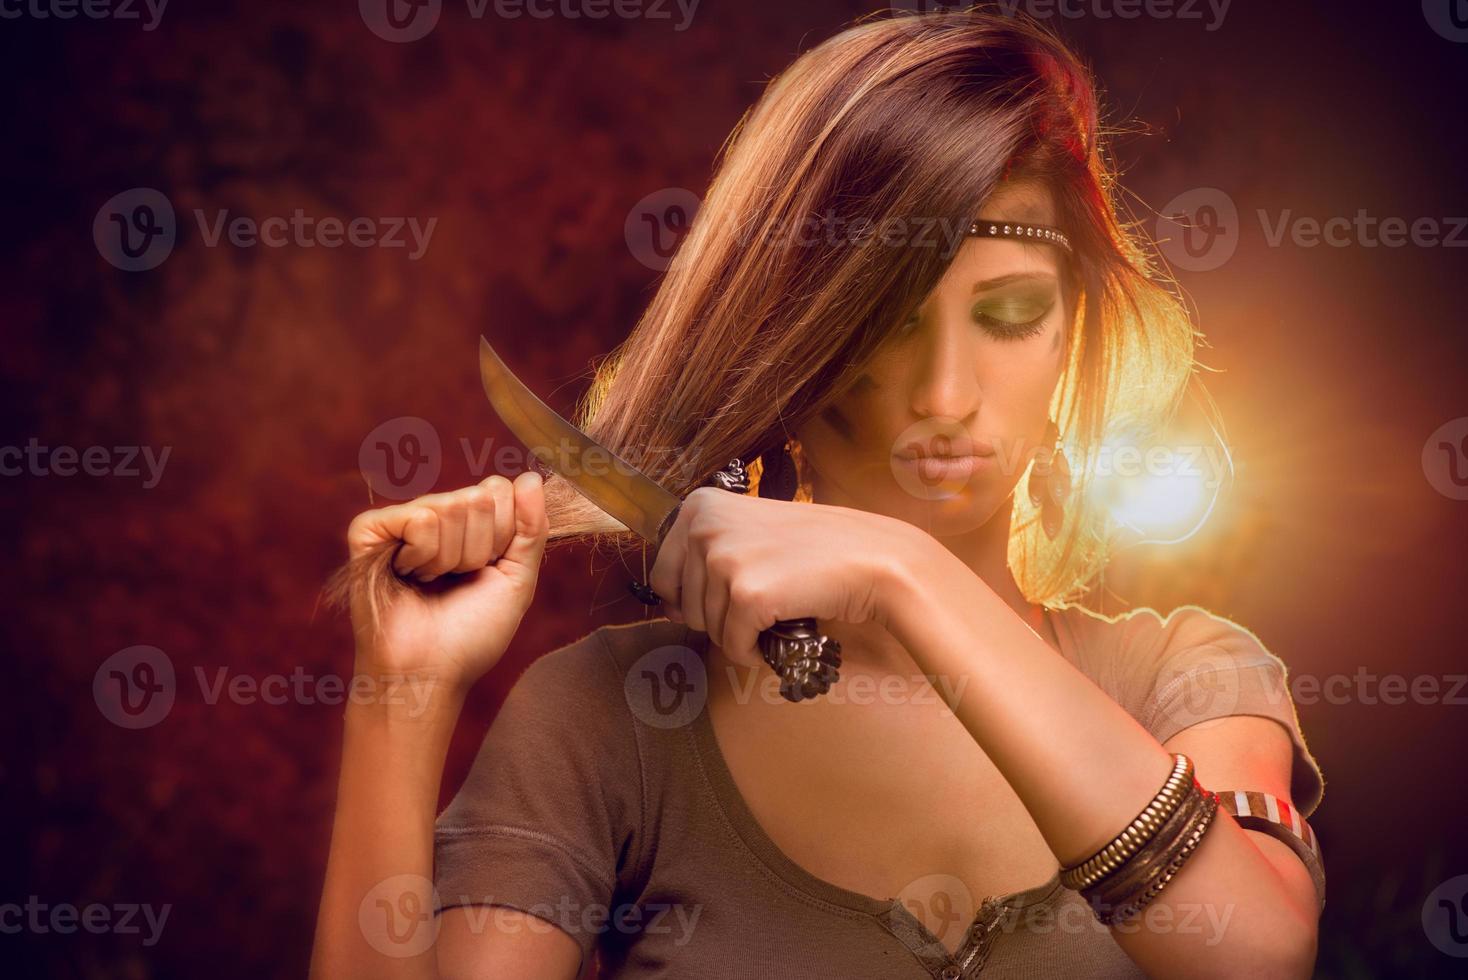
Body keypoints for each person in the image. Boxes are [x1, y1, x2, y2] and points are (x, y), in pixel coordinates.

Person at [310, 8, 1325, 978]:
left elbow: (1253, 952)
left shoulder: (1183, 677)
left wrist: (901, 570)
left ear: (1072, 332)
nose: (945, 395)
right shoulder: (612, 719)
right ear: (792, 337)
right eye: (886, 320)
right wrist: (400, 697)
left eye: (1009, 312)